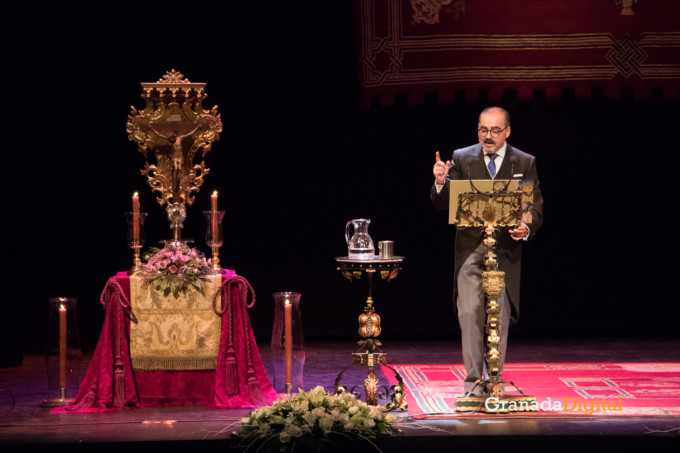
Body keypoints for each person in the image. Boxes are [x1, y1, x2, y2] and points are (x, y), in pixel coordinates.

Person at [430, 106, 543, 396]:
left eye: (495, 131)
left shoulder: (524, 161)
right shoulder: (462, 157)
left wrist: (525, 226)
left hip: (504, 252)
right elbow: (443, 204)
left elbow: (533, 208)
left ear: (507, 131)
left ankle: (494, 380)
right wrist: (441, 182)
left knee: (499, 317)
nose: (488, 137)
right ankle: (472, 384)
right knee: (469, 314)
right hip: (470, 251)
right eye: (483, 130)